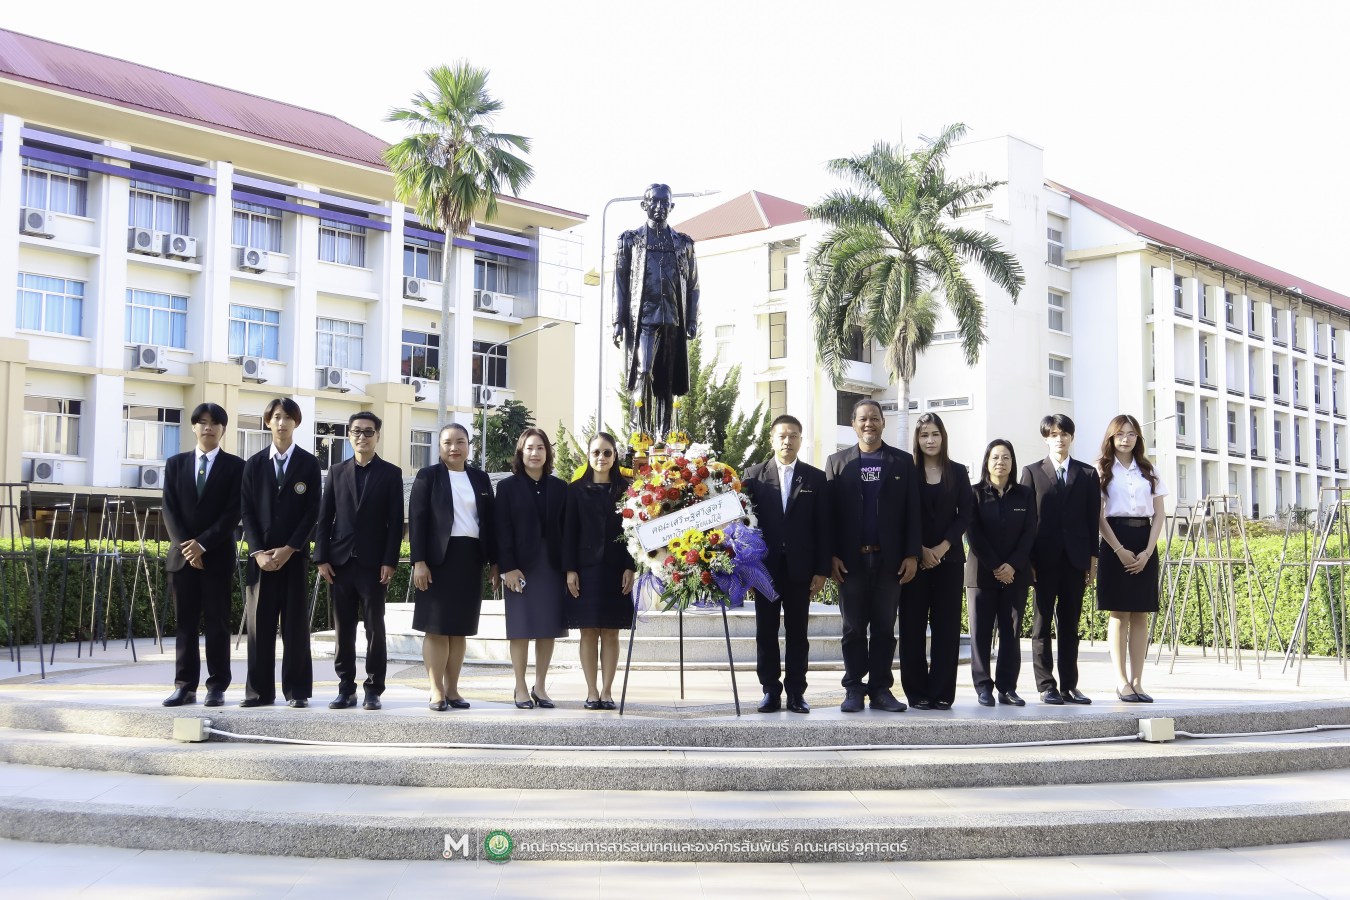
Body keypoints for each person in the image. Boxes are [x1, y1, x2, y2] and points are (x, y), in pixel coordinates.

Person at [825, 399, 922, 713]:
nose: (869, 424)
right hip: (850, 562)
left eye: (875, 419)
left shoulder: (903, 462)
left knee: (883, 628)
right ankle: (854, 688)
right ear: (854, 424)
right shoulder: (837, 462)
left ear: (883, 422)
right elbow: (831, 517)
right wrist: (832, 555)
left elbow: (913, 513)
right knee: (853, 628)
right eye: (863, 419)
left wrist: (911, 555)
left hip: (890, 562)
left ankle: (880, 689)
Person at [313, 411, 404, 712]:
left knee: (375, 629)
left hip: (374, 565)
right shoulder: (336, 472)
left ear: (377, 436)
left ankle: (374, 689)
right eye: (356, 431)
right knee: (344, 630)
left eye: (368, 431)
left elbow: (395, 523)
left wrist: (390, 561)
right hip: (340, 564)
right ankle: (345, 688)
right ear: (349, 435)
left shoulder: (391, 474)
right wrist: (321, 557)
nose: (362, 437)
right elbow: (325, 519)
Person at [743, 415, 830, 714]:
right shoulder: (752, 476)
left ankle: (796, 692)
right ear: (772, 439)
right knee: (765, 632)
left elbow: (823, 527)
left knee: (797, 633)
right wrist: (747, 571)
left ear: (800, 439)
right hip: (764, 570)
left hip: (801, 569)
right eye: (782, 435)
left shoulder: (815, 478)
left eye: (793, 435)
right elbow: (745, 529)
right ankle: (770, 690)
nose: (787, 441)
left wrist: (821, 570)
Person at [160, 402, 244, 708]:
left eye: (214, 423)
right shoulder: (175, 464)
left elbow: (232, 513)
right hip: (181, 560)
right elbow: (169, 510)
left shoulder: (236, 467)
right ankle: (185, 686)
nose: (208, 427)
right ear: (193, 427)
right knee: (185, 624)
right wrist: (187, 546)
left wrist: (203, 545)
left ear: (223, 429)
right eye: (202, 422)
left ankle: (217, 686)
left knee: (217, 624)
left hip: (217, 558)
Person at [408, 423, 497, 710]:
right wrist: (418, 561)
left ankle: (453, 689)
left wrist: (495, 562)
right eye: (448, 442)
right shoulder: (429, 476)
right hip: (436, 560)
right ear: (440, 447)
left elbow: (491, 524)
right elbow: (417, 519)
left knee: (460, 628)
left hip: (469, 558)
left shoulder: (480, 479)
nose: (454, 447)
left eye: (460, 442)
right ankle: (436, 690)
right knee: (435, 628)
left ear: (469, 445)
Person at [239, 398, 321, 708]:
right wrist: (259, 552)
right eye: (276, 417)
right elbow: (246, 511)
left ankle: (297, 691)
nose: (282, 422)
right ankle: (258, 692)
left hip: (294, 557)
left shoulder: (308, 463)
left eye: (288, 417)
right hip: (260, 561)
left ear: (296, 423)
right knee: (259, 627)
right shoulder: (254, 464)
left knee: (295, 626)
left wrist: (290, 548)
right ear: (267, 422)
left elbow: (313, 511)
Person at [1020, 414, 1101, 706]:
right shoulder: (1031, 472)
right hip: (1042, 561)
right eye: (1053, 434)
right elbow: (1027, 521)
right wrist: (1027, 561)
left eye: (1064, 434)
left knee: (1070, 625)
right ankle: (1046, 685)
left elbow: (1093, 521)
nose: (1059, 439)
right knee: (1041, 625)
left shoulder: (1088, 474)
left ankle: (1069, 685)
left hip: (1076, 560)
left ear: (1071, 437)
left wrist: (1093, 561)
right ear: (1046, 438)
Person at [612, 183, 700, 437]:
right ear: (644, 205)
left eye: (665, 203)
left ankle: (664, 435)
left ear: (671, 206)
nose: (660, 207)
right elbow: (620, 282)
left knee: (667, 381)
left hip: (673, 318)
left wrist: (692, 319)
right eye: (655, 202)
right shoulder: (630, 240)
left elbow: (693, 285)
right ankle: (638, 434)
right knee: (644, 371)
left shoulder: (683, 243)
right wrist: (618, 320)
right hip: (643, 320)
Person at [899, 413, 972, 711]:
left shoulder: (958, 472)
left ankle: (942, 692)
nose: (930, 440)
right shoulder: (906, 472)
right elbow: (899, 515)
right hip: (913, 562)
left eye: (935, 434)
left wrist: (941, 548)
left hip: (949, 560)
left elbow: (965, 514)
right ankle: (916, 692)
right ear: (917, 440)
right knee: (912, 628)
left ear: (943, 438)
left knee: (946, 628)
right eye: (924, 435)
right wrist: (919, 550)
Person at [495, 428, 569, 710]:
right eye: (529, 448)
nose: (535, 453)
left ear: (547, 452)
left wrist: (568, 569)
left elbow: (566, 530)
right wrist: (508, 567)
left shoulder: (560, 487)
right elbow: (501, 530)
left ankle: (540, 685)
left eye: (540, 448)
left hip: (551, 566)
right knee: (521, 629)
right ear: (520, 452)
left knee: (548, 628)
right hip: (520, 567)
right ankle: (521, 686)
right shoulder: (507, 487)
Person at [1096, 414, 1167, 703]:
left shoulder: (1149, 470)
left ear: (1138, 438)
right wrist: (1118, 549)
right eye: (1120, 434)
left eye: (1131, 434)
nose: (1126, 439)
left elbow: (1160, 513)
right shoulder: (1100, 470)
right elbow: (1098, 515)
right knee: (1119, 613)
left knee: (1141, 613)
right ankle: (1121, 681)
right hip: (1115, 540)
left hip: (1144, 541)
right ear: (1111, 438)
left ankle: (1138, 681)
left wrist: (1148, 551)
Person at [563, 432, 636, 711]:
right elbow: (568, 533)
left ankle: (607, 691)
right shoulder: (575, 490)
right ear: (588, 455)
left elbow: (634, 534)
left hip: (617, 569)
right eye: (596, 452)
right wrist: (570, 570)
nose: (601, 458)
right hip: (585, 569)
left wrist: (631, 566)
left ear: (615, 456)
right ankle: (592, 691)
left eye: (607, 452)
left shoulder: (628, 490)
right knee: (588, 632)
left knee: (611, 632)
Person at [965, 439, 1038, 708]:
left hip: (1015, 576)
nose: (1000, 462)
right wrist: (996, 566)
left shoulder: (1025, 494)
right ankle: (983, 686)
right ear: (987, 461)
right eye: (995, 457)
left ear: (1012, 462)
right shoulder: (973, 493)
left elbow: (1029, 532)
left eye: (1006, 457)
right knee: (980, 633)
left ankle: (1007, 687)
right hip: (981, 576)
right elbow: (973, 533)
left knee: (1011, 632)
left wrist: (1013, 565)